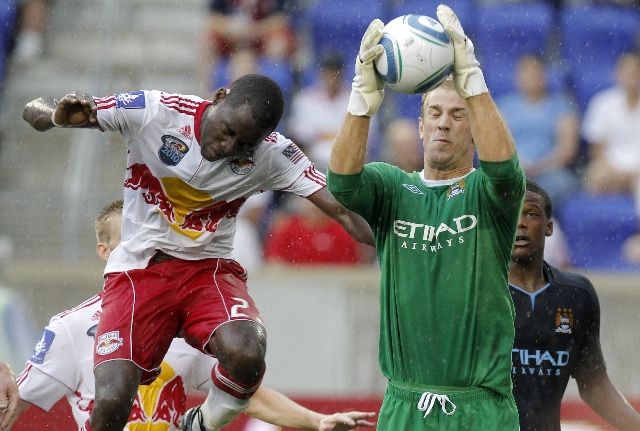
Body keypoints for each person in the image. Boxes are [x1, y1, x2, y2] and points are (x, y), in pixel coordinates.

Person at [22, 73, 374, 431]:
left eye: (243, 144)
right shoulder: (155, 111)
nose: (227, 146)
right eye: (227, 130)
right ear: (219, 97)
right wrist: (58, 115)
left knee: (248, 352)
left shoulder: (274, 154)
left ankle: (202, 424)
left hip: (207, 273)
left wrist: (398, 240)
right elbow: (35, 111)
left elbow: (343, 211)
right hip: (140, 271)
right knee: (112, 399)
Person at [3, 200, 376, 431]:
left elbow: (247, 396)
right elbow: (13, 402)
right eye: (129, 242)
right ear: (105, 252)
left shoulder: (188, 326)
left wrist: (316, 421)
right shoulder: (71, 329)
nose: (144, 252)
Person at [327, 5, 525, 429]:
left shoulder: (488, 194)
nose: (443, 125)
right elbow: (341, 184)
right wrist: (362, 99)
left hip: (480, 410)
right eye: (434, 113)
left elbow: (505, 171)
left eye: (458, 116)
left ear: (474, 128)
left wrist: (472, 80)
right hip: (405, 405)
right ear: (419, 126)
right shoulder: (393, 188)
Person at [509, 180, 640, 431]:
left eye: (531, 214)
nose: (521, 223)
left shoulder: (576, 295)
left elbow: (594, 385)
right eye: (511, 214)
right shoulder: (479, 292)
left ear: (549, 227)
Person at [496, 54, 580, 208]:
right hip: (514, 170)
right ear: (517, 76)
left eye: (536, 71)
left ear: (545, 75)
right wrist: (518, 164)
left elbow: (568, 148)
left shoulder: (561, 105)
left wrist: (541, 166)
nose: (531, 76)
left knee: (558, 186)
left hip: (552, 172)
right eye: (526, 72)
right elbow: (497, 144)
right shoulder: (504, 106)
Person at [582, 52, 640, 197]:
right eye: (627, 70)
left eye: (636, 71)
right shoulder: (602, 102)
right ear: (617, 73)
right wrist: (616, 171)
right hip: (610, 167)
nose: (632, 75)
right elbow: (596, 149)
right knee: (595, 175)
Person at [288, 51, 351, 172]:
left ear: (342, 74)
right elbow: (300, 136)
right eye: (328, 72)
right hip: (313, 161)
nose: (332, 77)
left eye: (335, 72)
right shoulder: (306, 99)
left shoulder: (354, 100)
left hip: (347, 162)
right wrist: (337, 135)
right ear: (321, 74)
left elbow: (363, 136)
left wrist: (321, 134)